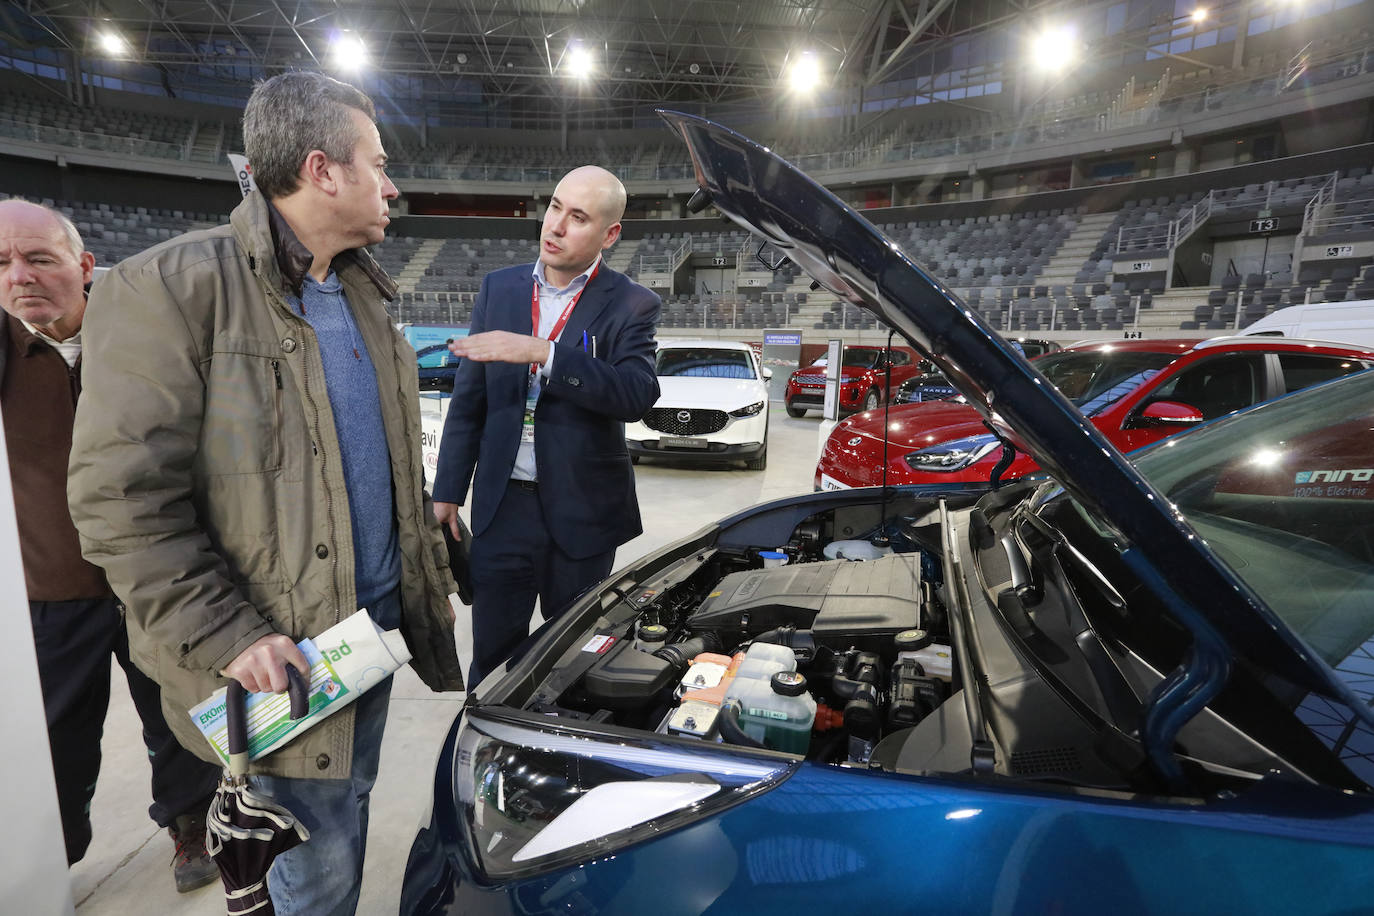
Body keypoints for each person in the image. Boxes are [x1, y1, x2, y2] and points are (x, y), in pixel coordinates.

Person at [67, 72, 464, 916]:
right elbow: (121, 504)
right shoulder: (169, 287)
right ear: (322, 170)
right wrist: (227, 632)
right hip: (277, 663)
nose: (393, 186)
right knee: (312, 874)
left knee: (348, 819)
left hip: (369, 640)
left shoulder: (364, 296)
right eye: (378, 164)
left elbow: (382, 471)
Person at [0, 199, 221, 891]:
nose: (19, 277)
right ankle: (50, 858)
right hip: (52, 588)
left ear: (85, 266)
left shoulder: (142, 335)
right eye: (1, 263)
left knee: (176, 717)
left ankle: (191, 825)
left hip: (153, 576)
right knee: (57, 740)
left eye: (38, 258)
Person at [431, 165, 660, 689]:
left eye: (577, 217)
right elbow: (469, 401)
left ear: (610, 234)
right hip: (501, 506)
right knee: (491, 656)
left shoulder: (632, 303)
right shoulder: (500, 288)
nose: (555, 225)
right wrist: (447, 492)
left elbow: (636, 395)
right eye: (555, 206)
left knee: (572, 660)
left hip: (582, 513)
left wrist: (545, 353)